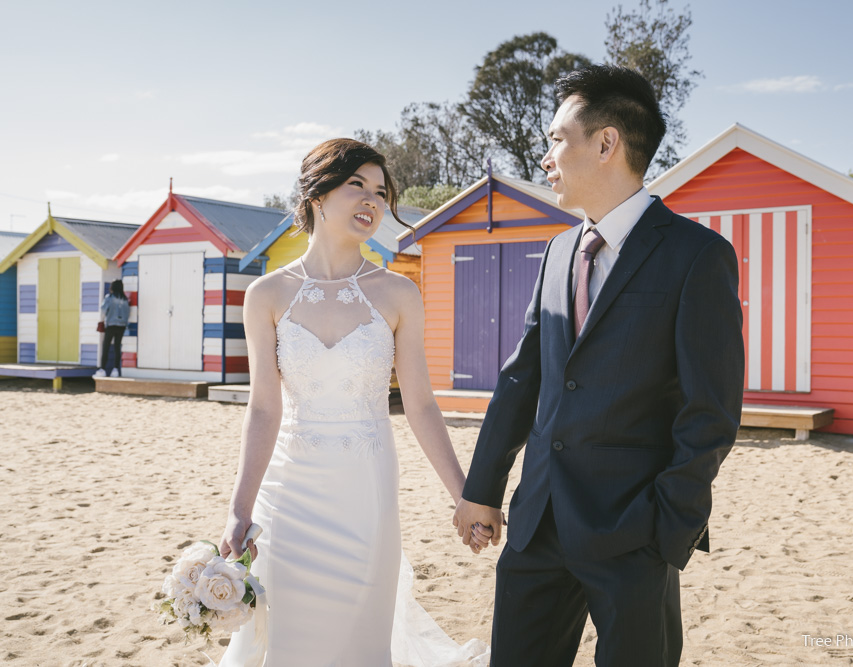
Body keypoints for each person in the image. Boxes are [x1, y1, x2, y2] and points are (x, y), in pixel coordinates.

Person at [453, 65, 745, 666]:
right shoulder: (559, 250)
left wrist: (668, 528)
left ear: (606, 143)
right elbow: (521, 376)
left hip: (634, 531)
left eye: (557, 139)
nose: (545, 157)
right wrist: (483, 490)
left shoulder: (697, 256)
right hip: (536, 524)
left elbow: (710, 412)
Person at [217, 139, 490, 666]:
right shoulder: (266, 295)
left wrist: (463, 495)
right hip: (289, 493)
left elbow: (421, 405)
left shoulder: (398, 294)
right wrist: (239, 508)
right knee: (287, 638)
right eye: (356, 186)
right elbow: (264, 409)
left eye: (381, 192)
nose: (372, 200)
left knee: (359, 639)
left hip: (365, 492)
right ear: (318, 194)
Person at [94, 279, 129, 378]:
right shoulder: (125, 299)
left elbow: (103, 310)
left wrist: (101, 321)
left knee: (106, 347)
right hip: (122, 326)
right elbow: (127, 313)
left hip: (111, 324)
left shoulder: (109, 298)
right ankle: (115, 370)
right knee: (117, 347)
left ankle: (102, 370)